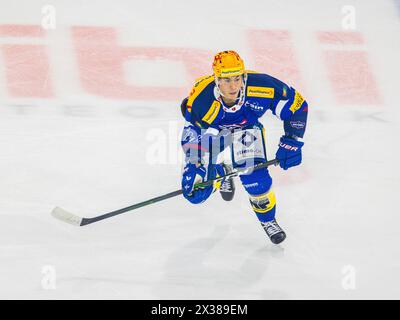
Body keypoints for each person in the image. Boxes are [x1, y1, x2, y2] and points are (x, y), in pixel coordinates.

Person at [179, 50, 308, 244]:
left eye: (237, 78)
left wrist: (292, 141)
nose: (233, 86)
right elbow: (192, 132)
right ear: (217, 80)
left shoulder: (262, 86)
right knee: (197, 193)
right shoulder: (201, 98)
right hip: (214, 132)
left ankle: (268, 220)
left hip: (246, 130)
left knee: (257, 182)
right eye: (226, 80)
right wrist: (194, 165)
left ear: (243, 76)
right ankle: (221, 173)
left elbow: (297, 107)